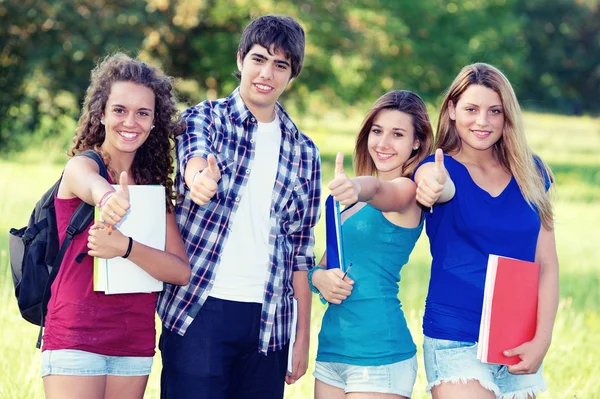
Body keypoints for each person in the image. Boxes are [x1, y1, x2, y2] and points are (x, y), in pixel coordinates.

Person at [156, 14, 321, 399]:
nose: (267, 73)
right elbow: (194, 158)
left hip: (270, 322)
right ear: (240, 59)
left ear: (291, 74)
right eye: (259, 59)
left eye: (280, 65)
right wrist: (199, 180)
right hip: (200, 309)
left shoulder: (304, 151)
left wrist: (301, 337)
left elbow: (301, 250)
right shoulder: (204, 118)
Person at [41, 53, 191, 399]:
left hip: (133, 344)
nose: (131, 122)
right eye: (120, 110)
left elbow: (180, 271)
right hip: (75, 339)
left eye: (143, 113)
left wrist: (125, 247)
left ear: (155, 122)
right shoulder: (84, 165)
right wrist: (108, 199)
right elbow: (89, 183)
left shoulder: (153, 187)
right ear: (102, 114)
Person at [414, 62, 558, 399]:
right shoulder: (437, 168)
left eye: (495, 111)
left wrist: (543, 339)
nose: (483, 121)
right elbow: (436, 184)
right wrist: (432, 186)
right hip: (455, 337)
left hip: (517, 337)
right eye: (471, 109)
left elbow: (547, 263)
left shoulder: (531, 171)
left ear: (508, 115)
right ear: (451, 110)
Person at [309, 90, 434, 399]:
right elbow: (326, 265)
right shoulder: (348, 205)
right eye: (377, 131)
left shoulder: (407, 191)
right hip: (332, 351)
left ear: (416, 142)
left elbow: (378, 189)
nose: (383, 142)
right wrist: (317, 278)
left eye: (398, 134)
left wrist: (355, 186)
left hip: (379, 354)